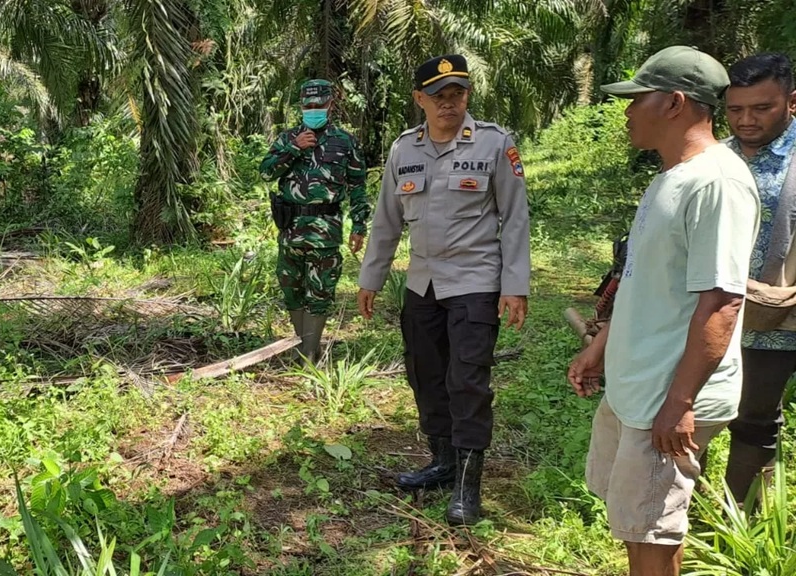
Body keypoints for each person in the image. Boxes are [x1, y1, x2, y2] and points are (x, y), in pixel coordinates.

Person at [567, 45, 759, 576]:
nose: (627, 111)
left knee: (654, 532)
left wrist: (679, 402)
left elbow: (721, 301)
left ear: (674, 103)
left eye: (636, 99)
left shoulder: (716, 182)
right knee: (636, 522)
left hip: (667, 398)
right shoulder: (668, 178)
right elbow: (640, 282)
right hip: (640, 385)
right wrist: (601, 350)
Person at [355, 54, 530, 526]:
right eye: (438, 96)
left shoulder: (494, 144)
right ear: (419, 100)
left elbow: (515, 218)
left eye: (457, 94)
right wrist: (371, 277)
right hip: (422, 284)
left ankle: (467, 488)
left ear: (467, 96)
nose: (449, 104)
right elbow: (386, 220)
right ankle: (442, 462)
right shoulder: (403, 150)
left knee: (467, 381)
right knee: (425, 375)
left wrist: (515, 286)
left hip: (475, 281)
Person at [721, 52, 796, 506]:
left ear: (791, 101)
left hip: (780, 321)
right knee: (702, 410)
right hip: (714, 314)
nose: (746, 120)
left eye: (760, 108)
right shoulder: (716, 154)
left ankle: (741, 523)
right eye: (735, 109)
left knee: (756, 418)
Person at [259, 79, 369, 363]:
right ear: (301, 106)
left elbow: (357, 186)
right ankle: (303, 344)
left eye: (319, 105)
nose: (313, 110)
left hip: (325, 230)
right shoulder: (288, 138)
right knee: (290, 286)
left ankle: (310, 350)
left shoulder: (344, 142)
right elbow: (266, 172)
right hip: (291, 229)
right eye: (308, 106)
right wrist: (294, 149)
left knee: (320, 290)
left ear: (330, 105)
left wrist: (359, 225)